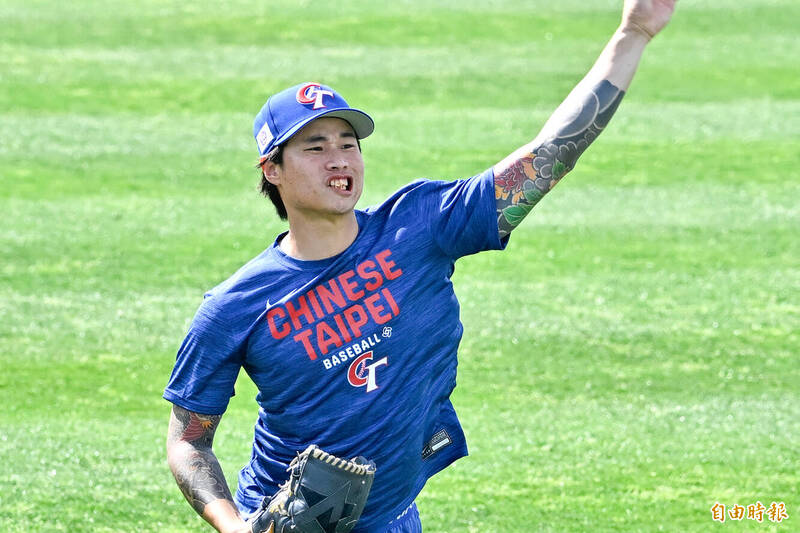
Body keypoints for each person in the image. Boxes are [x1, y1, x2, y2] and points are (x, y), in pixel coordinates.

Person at [164, 1, 677, 531]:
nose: (340, 159)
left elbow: (548, 157)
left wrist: (633, 33)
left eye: (349, 144)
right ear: (272, 169)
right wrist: (234, 527)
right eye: (315, 148)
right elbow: (188, 441)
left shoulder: (418, 228)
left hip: (396, 515)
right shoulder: (236, 306)